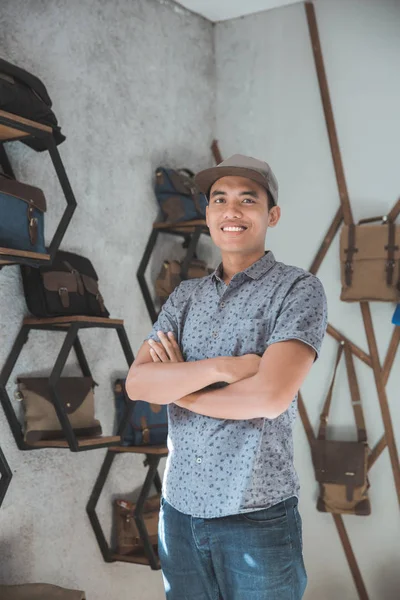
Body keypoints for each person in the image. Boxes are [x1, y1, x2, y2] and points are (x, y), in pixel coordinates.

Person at [126, 154, 328, 600]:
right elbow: (139, 384)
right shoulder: (184, 297)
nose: (231, 210)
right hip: (178, 513)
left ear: (271, 215)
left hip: (255, 516)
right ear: (208, 213)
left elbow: (269, 396)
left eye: (247, 199)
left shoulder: (298, 289)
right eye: (220, 199)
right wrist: (224, 369)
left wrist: (180, 387)